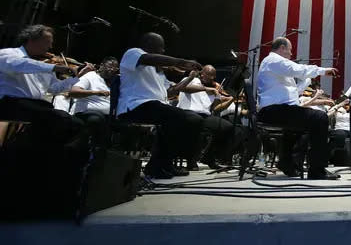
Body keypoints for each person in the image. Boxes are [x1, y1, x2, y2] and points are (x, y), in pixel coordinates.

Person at [117, 32, 203, 179]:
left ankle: (166, 163)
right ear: (149, 45)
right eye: (160, 47)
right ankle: (157, 166)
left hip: (155, 107)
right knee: (176, 116)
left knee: (193, 119)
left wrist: (189, 78)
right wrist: (180, 62)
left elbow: (171, 92)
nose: (163, 51)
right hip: (135, 106)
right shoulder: (134, 53)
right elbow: (148, 58)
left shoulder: (158, 72)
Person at [256, 37, 339, 179]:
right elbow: (295, 69)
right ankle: (317, 171)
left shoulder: (274, 66)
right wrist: (322, 71)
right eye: (290, 50)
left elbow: (293, 92)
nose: (291, 54)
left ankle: (287, 163)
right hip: (273, 111)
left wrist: (307, 79)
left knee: (303, 123)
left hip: (277, 110)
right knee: (320, 118)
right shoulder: (273, 60)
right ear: (282, 48)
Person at [0, 24, 93, 148]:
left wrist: (77, 77)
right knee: (64, 121)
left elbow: (54, 88)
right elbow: (18, 65)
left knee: (73, 124)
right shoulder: (9, 54)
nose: (50, 47)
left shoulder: (44, 64)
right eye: (47, 42)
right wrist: (54, 67)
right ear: (32, 40)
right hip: (11, 103)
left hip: (35, 106)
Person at [176, 65, 237, 170]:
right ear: (202, 74)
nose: (212, 78)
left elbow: (214, 109)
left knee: (227, 127)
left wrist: (219, 98)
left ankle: (209, 156)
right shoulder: (191, 80)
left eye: (213, 76)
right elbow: (183, 88)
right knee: (197, 124)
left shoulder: (212, 89)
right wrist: (207, 89)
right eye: (209, 75)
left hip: (204, 116)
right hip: (187, 113)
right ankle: (191, 160)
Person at [69, 56, 119, 147]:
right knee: (96, 119)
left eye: (115, 68)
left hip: (107, 116)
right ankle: (80, 146)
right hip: (85, 113)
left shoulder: (113, 82)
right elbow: (73, 92)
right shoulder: (90, 76)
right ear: (102, 65)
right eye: (110, 66)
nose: (112, 69)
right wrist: (96, 92)